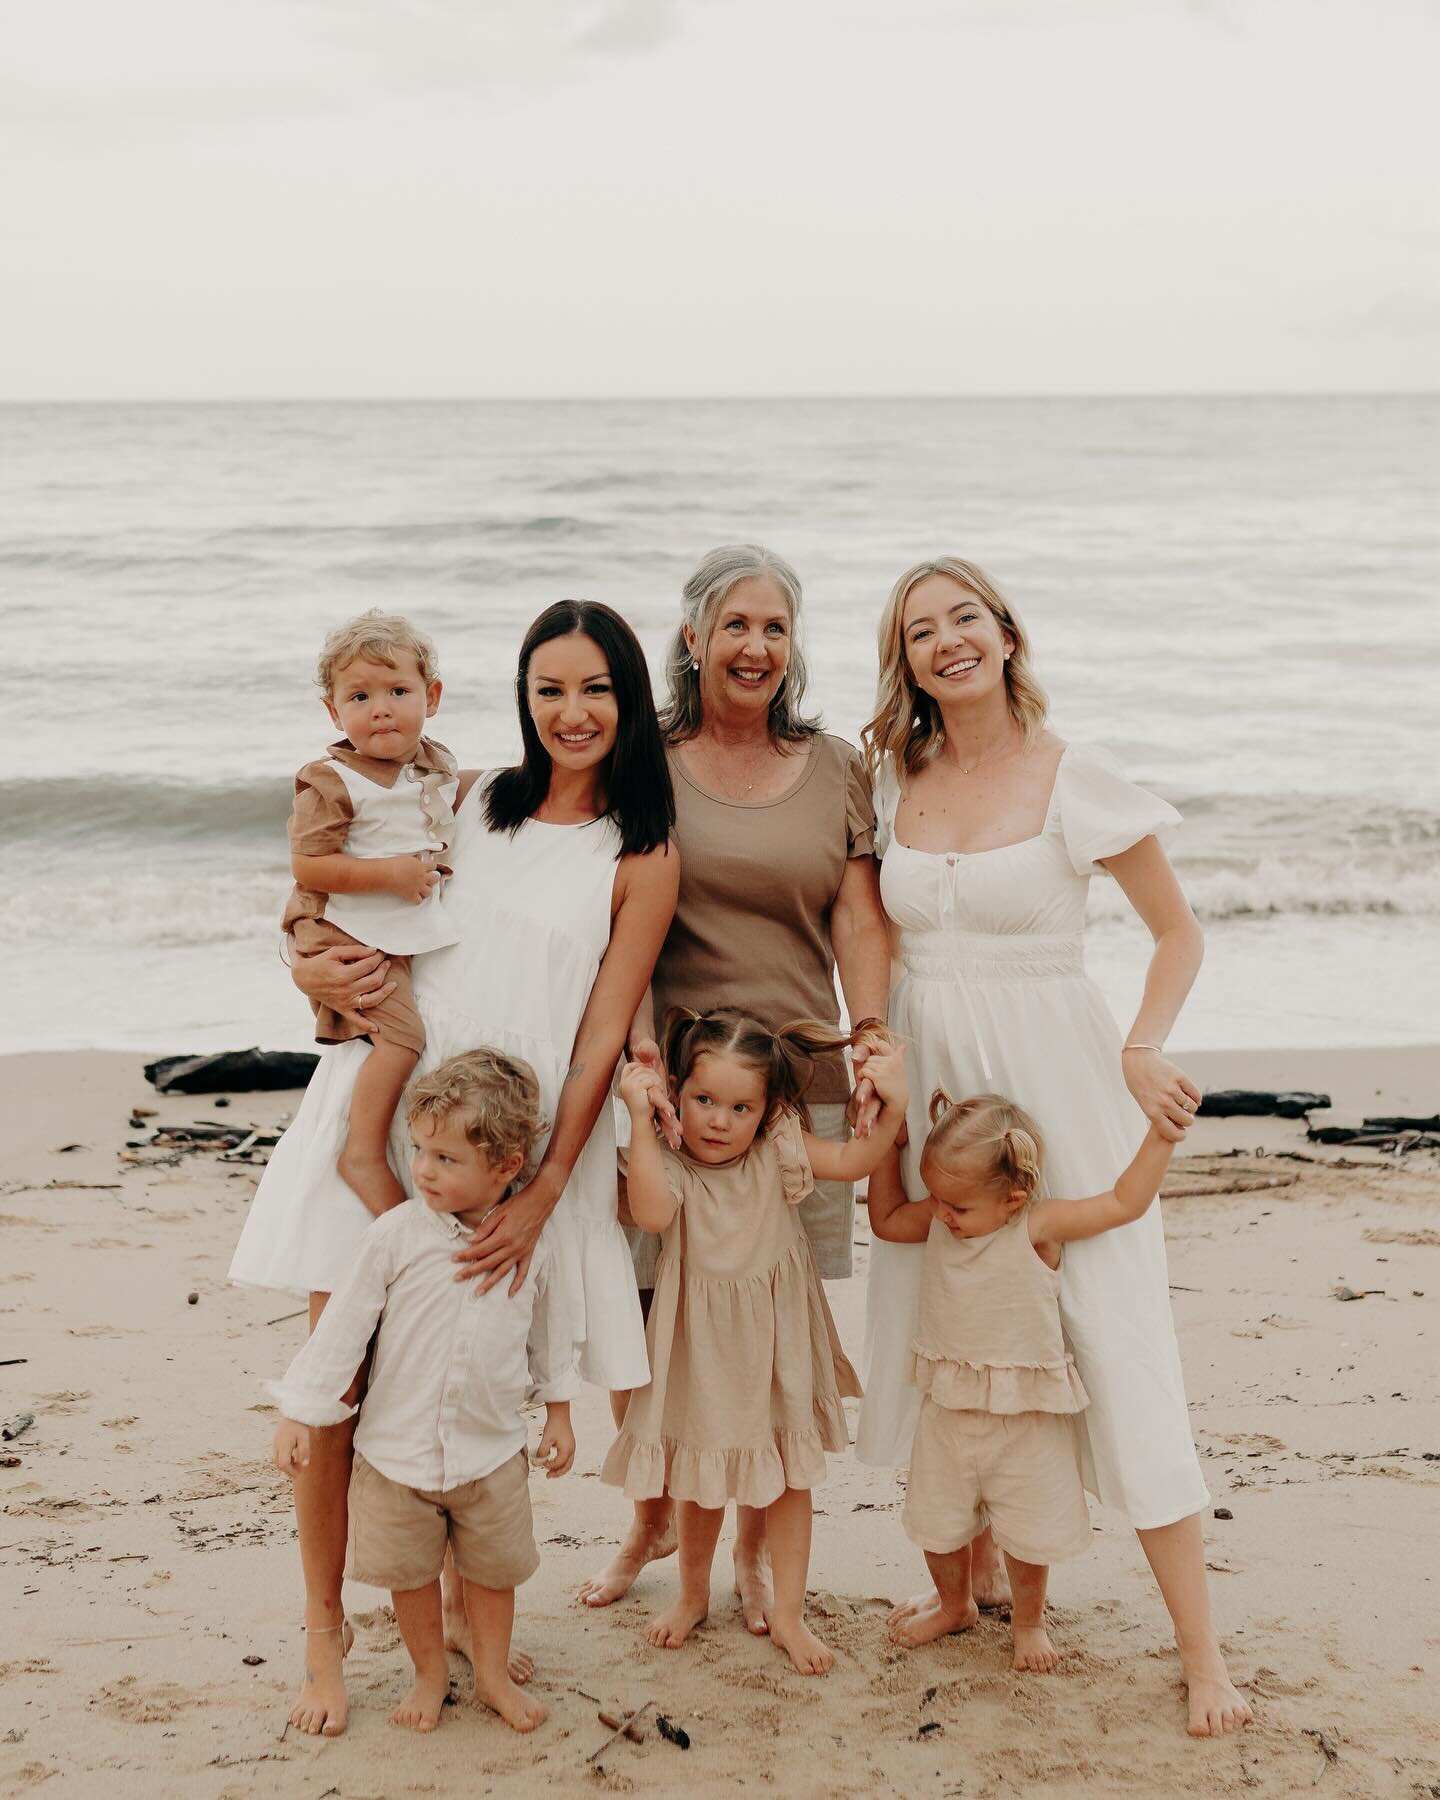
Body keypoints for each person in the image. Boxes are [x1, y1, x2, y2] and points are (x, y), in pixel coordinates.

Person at [231, 600, 678, 1737]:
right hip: (390, 1119)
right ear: (520, 700)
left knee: (466, 1392)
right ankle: (323, 1641)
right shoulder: (467, 798)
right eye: (548, 689)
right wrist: (305, 959)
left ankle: (473, 1648)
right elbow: (323, 892)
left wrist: (540, 1194)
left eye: (595, 690)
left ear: (628, 701)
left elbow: (594, 1044)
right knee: (337, 1393)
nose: (571, 713)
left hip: (509, 1156)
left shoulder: (641, 852)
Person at [856, 555, 1251, 1737]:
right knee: (951, 1316)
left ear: (1007, 633)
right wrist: (871, 1052)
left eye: (963, 618)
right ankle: (971, 1583)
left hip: (1063, 1080)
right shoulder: (891, 778)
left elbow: (1176, 936)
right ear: (907, 659)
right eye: (920, 631)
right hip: (935, 1079)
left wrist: (1145, 1046)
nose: (945, 642)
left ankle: (1202, 1653)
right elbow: (863, 930)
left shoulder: (1077, 776)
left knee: (1112, 1338)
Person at [580, 544, 892, 1627]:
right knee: (653, 1315)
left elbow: (857, 916)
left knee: (772, 1331)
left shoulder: (837, 765)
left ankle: (760, 1556)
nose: (756, 645)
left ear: (790, 646)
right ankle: (651, 1522)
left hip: (797, 1086)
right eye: (736, 625)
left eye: (775, 627)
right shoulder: (647, 764)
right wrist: (631, 1056)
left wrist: (875, 1036)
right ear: (693, 638)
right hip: (675, 1089)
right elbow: (608, 913)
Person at [270, 1050, 573, 1735]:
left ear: (506, 1164)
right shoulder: (395, 1236)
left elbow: (551, 1333)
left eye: (444, 1158)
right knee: (410, 1579)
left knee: (494, 1574)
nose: (423, 1170)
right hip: (396, 1457)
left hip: (491, 1452)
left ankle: (490, 1673)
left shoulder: (531, 1245)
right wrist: (298, 1411)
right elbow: (341, 1332)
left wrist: (558, 1409)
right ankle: (430, 1672)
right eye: (419, 1152)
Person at [602, 1009, 908, 1675]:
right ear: (676, 1092)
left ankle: (790, 1615)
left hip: (777, 1347)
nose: (718, 1120)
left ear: (768, 1110)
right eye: (704, 1100)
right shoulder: (671, 1167)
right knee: (699, 1479)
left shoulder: (780, 1148)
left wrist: (896, 1102)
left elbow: (856, 1157)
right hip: (701, 1351)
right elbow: (651, 1214)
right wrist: (639, 1117)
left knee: (789, 1480)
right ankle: (691, 1595)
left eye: (740, 1107)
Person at [868, 1089, 1184, 1676]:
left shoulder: (1037, 1225)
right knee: (937, 1525)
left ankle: (1029, 1622)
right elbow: (885, 1222)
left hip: (1028, 1419)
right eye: (935, 1198)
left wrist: (1161, 1136)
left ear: (1013, 1198)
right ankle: (955, 1604)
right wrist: (889, 1145)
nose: (941, 1214)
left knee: (1029, 1532)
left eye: (956, 1206)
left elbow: (1122, 1202)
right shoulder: (942, 1221)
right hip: (950, 1410)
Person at [285, 609, 460, 1216]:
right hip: (346, 930)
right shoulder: (331, 780)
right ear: (335, 712)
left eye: (398, 691)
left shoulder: (431, 768)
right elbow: (310, 867)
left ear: (431, 697)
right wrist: (391, 873)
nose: (380, 708)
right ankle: (361, 1152)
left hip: (388, 927)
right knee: (404, 1038)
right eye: (359, 696)